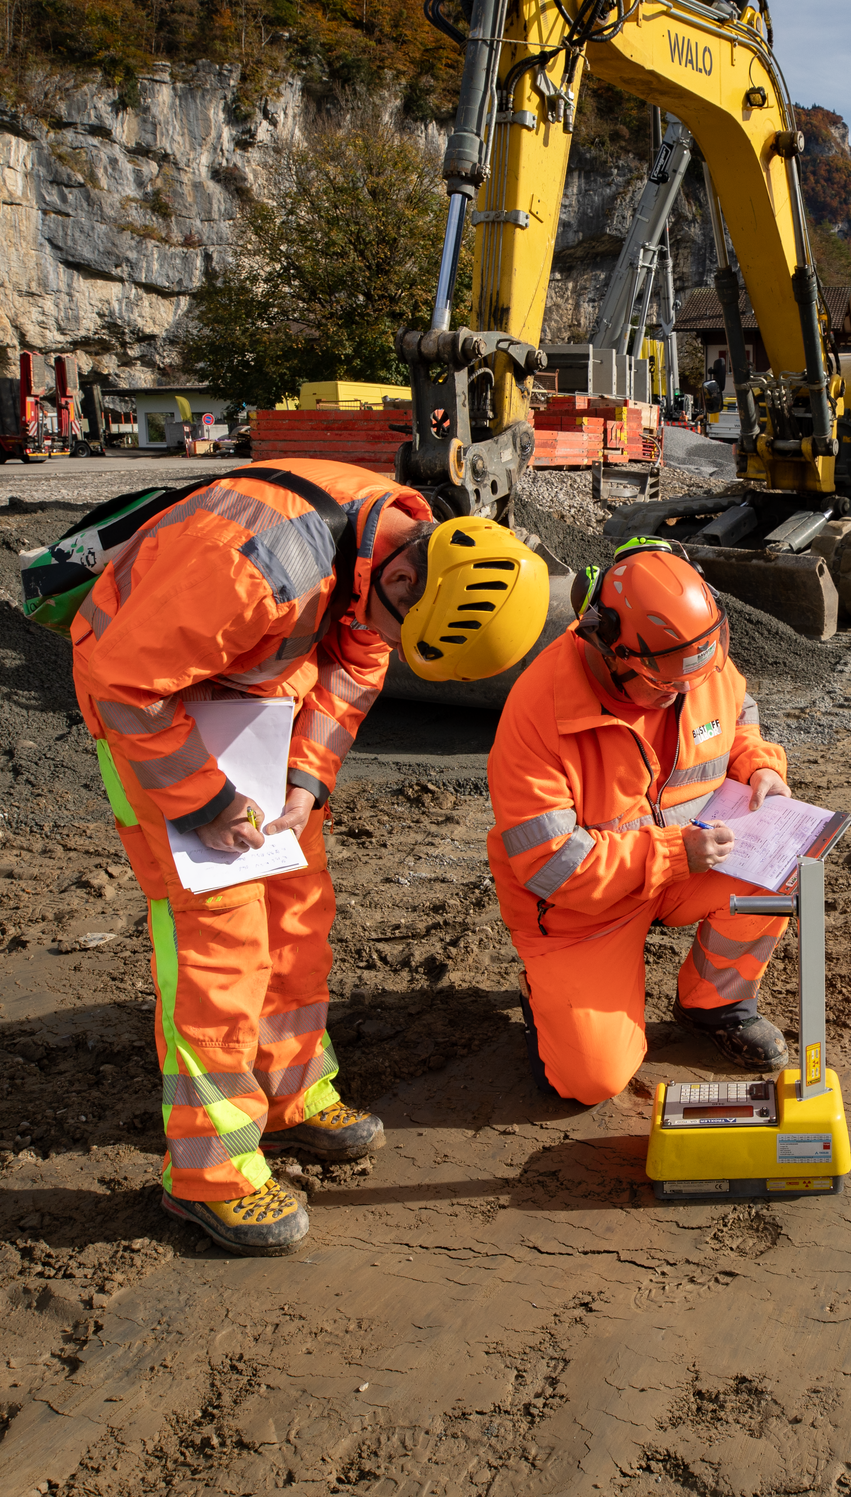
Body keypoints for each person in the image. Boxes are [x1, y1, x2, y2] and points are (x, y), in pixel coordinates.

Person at [72, 461, 548, 1254]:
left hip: (253, 718)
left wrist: (305, 778)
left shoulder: (393, 550)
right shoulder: (255, 565)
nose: (390, 640)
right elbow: (123, 682)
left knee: (296, 911)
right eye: (403, 630)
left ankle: (292, 1092)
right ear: (400, 576)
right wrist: (203, 800)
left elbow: (358, 658)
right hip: (157, 721)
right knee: (220, 948)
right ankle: (210, 1177)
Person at [485, 540, 795, 1106]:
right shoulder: (538, 713)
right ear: (608, 648)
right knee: (592, 1083)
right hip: (582, 907)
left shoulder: (693, 659)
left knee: (786, 864)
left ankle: (715, 1002)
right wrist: (678, 855)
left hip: (686, 861)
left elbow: (738, 716)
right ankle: (546, 993)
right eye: (666, 686)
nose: (685, 693)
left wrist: (758, 769)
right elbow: (552, 866)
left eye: (693, 679)